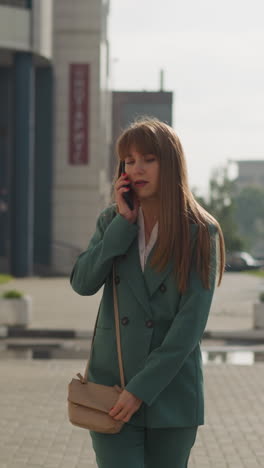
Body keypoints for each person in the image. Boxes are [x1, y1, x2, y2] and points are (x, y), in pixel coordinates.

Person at [70, 118, 225, 468]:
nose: (137, 169)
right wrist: (121, 228)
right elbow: (82, 283)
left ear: (170, 163)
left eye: (149, 159)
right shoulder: (112, 221)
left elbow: (189, 325)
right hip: (111, 389)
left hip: (170, 391)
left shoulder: (201, 231)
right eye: (129, 160)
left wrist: (141, 389)